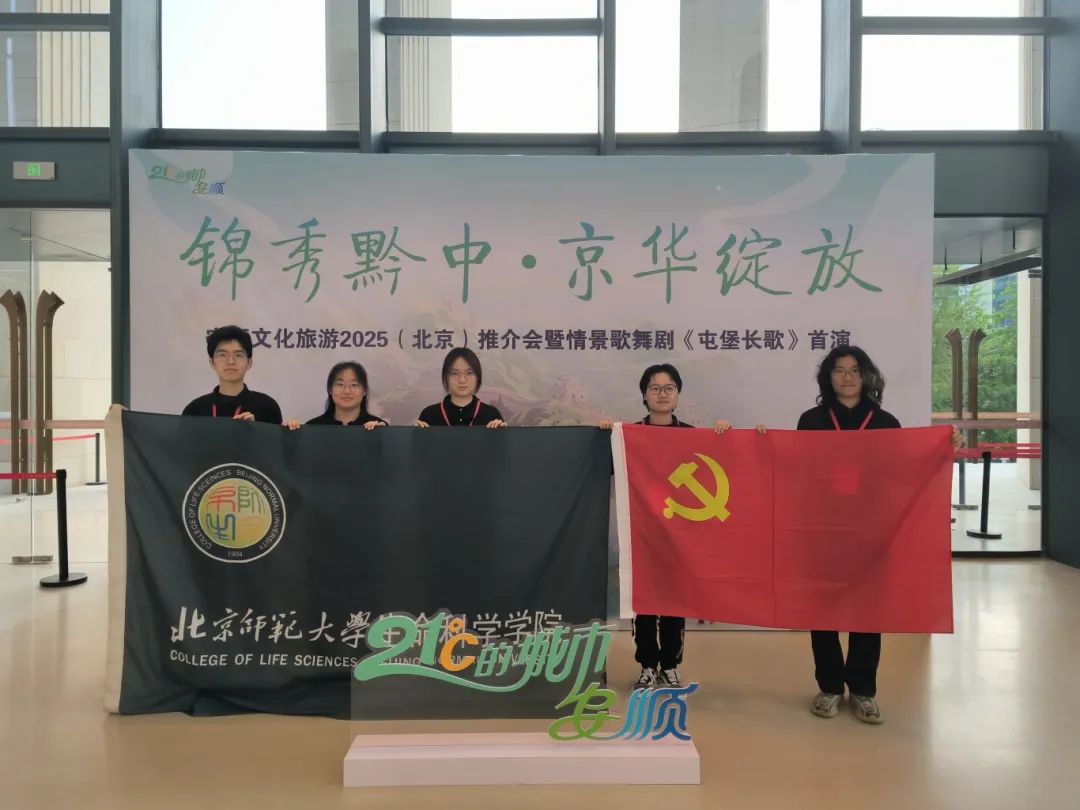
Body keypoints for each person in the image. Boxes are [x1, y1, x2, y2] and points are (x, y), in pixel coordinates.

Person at [798, 345, 962, 725]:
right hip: (823, 528)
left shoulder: (885, 422)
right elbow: (796, 470)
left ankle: (863, 689)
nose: (847, 378)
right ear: (828, 377)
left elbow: (905, 469)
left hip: (873, 530)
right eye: (839, 371)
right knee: (821, 609)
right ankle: (829, 686)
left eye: (855, 370)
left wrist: (944, 443)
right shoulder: (812, 420)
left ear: (866, 376)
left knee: (869, 609)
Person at [600, 362, 765, 691]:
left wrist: (736, 437)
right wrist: (605, 435)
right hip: (643, 534)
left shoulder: (692, 436)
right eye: (655, 388)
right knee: (644, 604)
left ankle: (670, 666)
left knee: (675, 602)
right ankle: (647, 665)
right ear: (644, 395)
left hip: (682, 535)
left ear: (677, 394)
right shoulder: (629, 435)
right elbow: (605, 466)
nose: (662, 394)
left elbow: (729, 462)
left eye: (669, 388)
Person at [182, 325, 282, 424]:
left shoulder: (267, 407)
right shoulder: (194, 410)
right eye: (222, 355)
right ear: (212, 363)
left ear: (249, 363)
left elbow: (275, 435)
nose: (230, 361)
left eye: (238, 355)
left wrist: (257, 429)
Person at [415, 348, 506, 428]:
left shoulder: (491, 414)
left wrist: (501, 433)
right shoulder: (429, 414)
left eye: (469, 373)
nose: (462, 380)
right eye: (455, 373)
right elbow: (418, 443)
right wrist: (417, 434)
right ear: (445, 377)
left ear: (478, 377)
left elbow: (502, 443)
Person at [285, 361, 387, 430]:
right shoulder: (313, 427)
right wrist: (290, 432)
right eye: (340, 384)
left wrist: (380, 434)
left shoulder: (378, 427)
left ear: (364, 391)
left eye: (354, 385)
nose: (347, 391)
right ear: (330, 389)